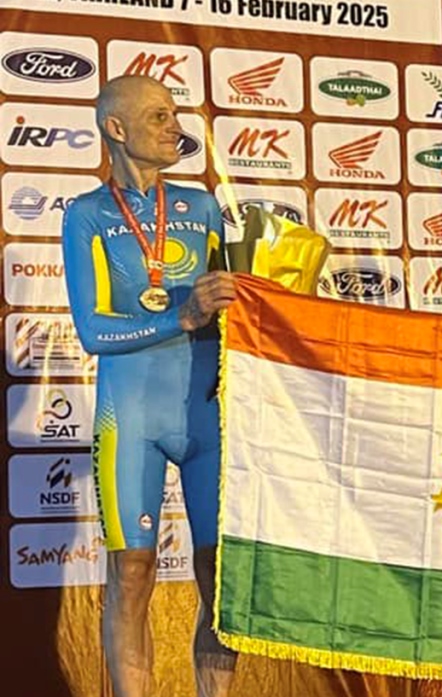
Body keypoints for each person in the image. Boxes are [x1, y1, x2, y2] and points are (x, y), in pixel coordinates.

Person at [62, 75, 237, 697]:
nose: (175, 127)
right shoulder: (87, 215)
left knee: (220, 578)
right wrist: (181, 316)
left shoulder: (203, 207)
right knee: (132, 573)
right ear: (117, 128)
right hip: (130, 415)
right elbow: (93, 331)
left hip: (207, 413)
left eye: (175, 114)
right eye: (160, 116)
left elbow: (236, 304)